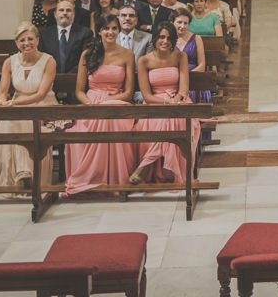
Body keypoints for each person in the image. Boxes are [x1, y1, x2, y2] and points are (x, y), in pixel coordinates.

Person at [63, 14, 136, 197]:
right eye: (106, 28)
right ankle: (91, 178)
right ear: (99, 31)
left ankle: (115, 179)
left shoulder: (127, 54)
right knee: (85, 125)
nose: (110, 32)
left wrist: (107, 102)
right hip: (91, 101)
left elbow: (128, 92)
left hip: (117, 100)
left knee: (112, 119)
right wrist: (91, 104)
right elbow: (79, 90)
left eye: (114, 28)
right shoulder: (88, 54)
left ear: (119, 31)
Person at [131, 22, 200, 184]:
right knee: (165, 120)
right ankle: (154, 165)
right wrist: (166, 102)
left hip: (179, 101)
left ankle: (146, 165)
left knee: (175, 119)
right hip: (155, 103)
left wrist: (175, 100)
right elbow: (147, 96)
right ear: (155, 38)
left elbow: (183, 89)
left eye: (169, 38)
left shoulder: (180, 56)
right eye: (161, 37)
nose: (165, 41)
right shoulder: (143, 61)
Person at [0, 22, 58, 191]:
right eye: (22, 40)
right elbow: (2, 92)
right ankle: (16, 179)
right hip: (17, 105)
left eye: (30, 39)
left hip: (42, 105)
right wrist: (2, 102)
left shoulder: (49, 61)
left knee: (28, 121)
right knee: (6, 125)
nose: (26, 43)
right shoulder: (10, 62)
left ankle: (29, 174)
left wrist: (14, 103)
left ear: (37, 40)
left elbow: (41, 94)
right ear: (16, 43)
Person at [39, 0, 93, 76]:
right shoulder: (44, 34)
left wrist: (67, 78)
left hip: (76, 78)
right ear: (55, 14)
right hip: (50, 79)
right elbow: (41, 59)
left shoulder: (85, 33)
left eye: (68, 10)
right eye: (61, 10)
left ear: (73, 14)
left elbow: (86, 59)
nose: (65, 13)